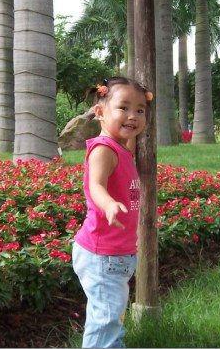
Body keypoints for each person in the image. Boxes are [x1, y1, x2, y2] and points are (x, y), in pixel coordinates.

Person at [72, 76, 153, 348]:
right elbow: (95, 185)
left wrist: (130, 130)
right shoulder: (103, 150)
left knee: (111, 315)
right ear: (100, 112)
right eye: (123, 107)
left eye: (140, 110)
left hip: (115, 254)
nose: (133, 115)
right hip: (102, 254)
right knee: (106, 318)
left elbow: (129, 148)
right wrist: (108, 203)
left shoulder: (120, 147)